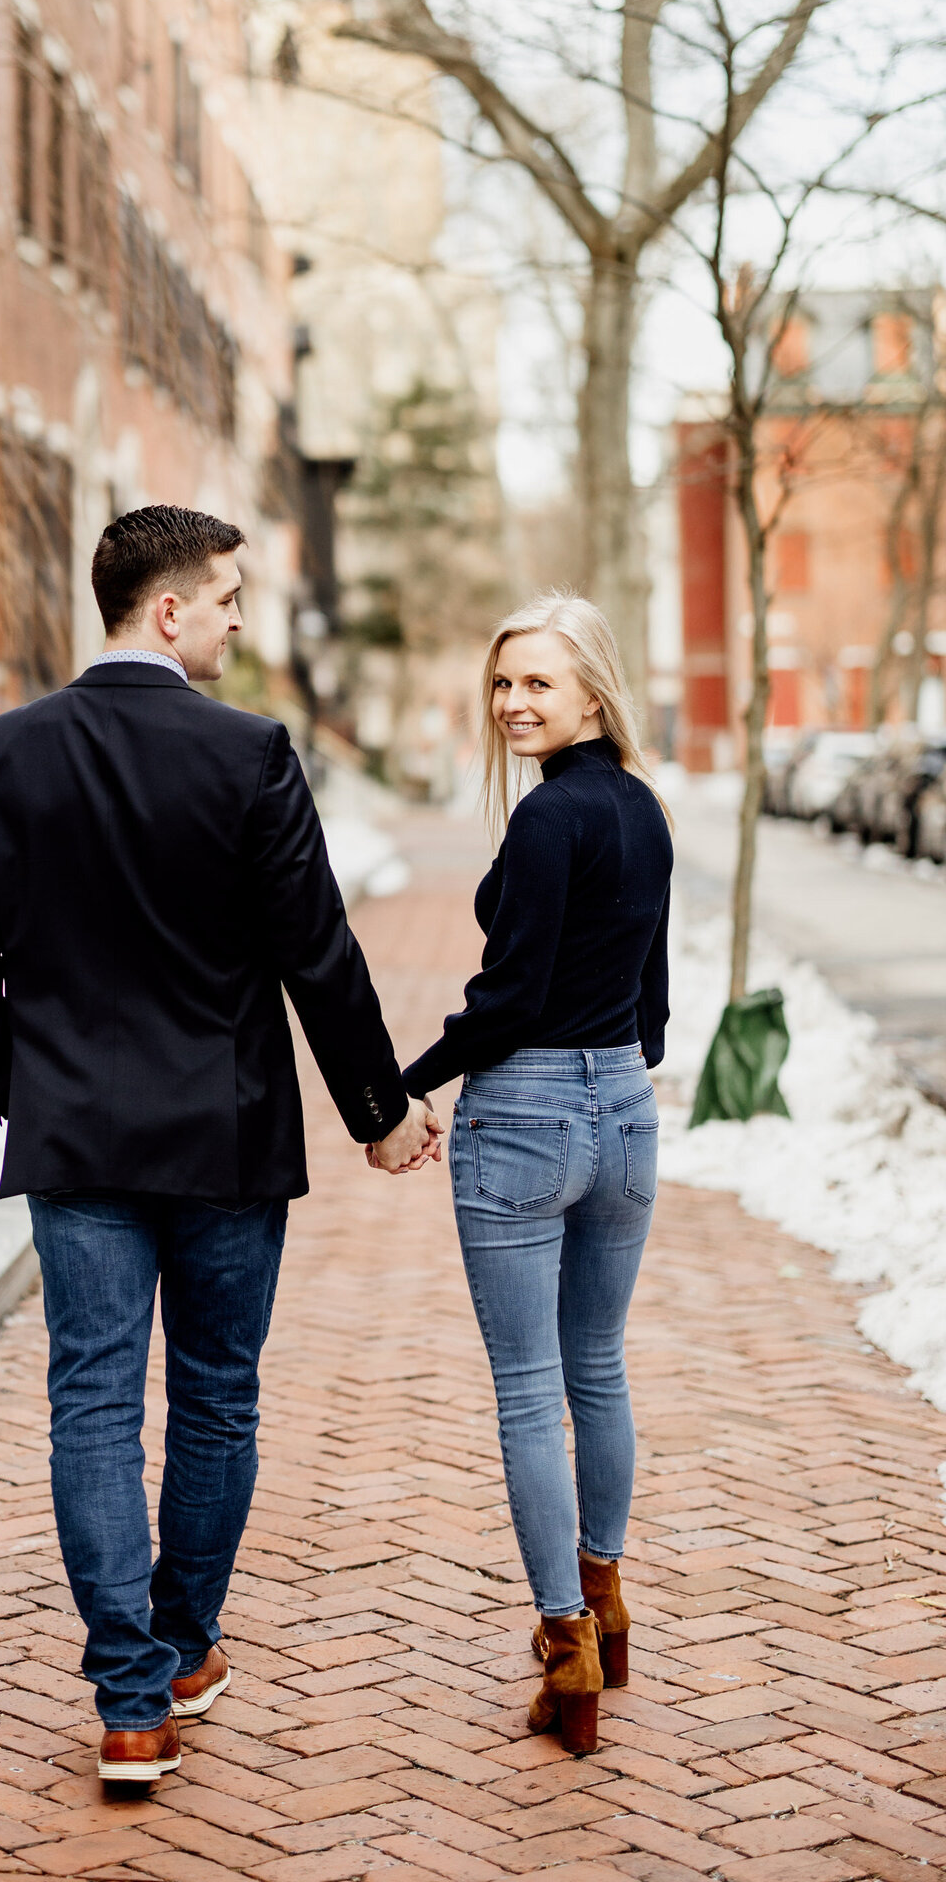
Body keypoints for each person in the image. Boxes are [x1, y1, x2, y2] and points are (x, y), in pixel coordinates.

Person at [0, 505, 437, 1785]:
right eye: (225, 599)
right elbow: (316, 951)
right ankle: (183, 1642)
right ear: (169, 611)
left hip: (78, 1145)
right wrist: (379, 1112)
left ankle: (130, 1698)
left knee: (91, 1407)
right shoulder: (248, 753)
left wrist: (30, 1090)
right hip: (224, 1135)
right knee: (215, 1398)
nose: (238, 620)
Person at [400, 592, 671, 1758]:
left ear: (593, 694)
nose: (514, 703)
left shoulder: (548, 821)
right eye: (503, 684)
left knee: (528, 1390)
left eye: (539, 685)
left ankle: (564, 1643)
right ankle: (604, 1603)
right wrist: (610, 1069)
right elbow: (651, 998)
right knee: (596, 1366)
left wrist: (400, 1086)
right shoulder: (645, 811)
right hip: (623, 1111)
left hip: (524, 1114)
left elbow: (504, 1000)